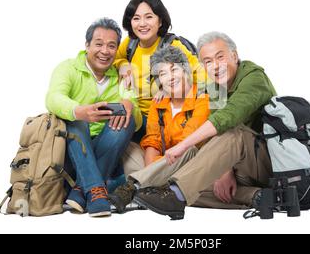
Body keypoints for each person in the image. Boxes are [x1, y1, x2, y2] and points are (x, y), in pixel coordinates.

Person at [110, 31, 276, 219]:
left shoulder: (253, 78)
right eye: (208, 61)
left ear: (234, 56)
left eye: (219, 57)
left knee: (210, 148)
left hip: (260, 162)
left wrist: (183, 151)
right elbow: (154, 140)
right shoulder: (215, 87)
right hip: (227, 165)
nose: (215, 66)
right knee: (190, 182)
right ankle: (253, 196)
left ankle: (154, 190)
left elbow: (226, 120)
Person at [45, 18, 142, 217]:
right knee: (75, 120)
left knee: (127, 119)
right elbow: (53, 98)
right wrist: (80, 111)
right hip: (71, 153)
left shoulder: (122, 76)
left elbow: (138, 121)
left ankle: (83, 190)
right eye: (98, 44)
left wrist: (130, 105)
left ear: (116, 50)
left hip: (107, 149)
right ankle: (96, 189)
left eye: (111, 46)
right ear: (87, 45)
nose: (104, 51)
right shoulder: (69, 68)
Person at [109, 46, 209, 212]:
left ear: (186, 71)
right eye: (163, 74)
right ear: (159, 81)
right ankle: (149, 190)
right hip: (163, 163)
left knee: (189, 149)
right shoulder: (158, 103)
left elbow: (186, 142)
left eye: (174, 70)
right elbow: (153, 141)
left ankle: (133, 188)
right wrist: (152, 170)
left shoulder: (202, 98)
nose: (170, 78)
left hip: (188, 165)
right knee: (130, 146)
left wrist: (153, 170)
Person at [114, 0, 205, 143]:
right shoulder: (130, 44)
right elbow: (112, 58)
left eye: (149, 17)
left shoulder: (173, 46)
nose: (142, 24)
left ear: (160, 21)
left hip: (163, 119)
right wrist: (122, 64)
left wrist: (169, 86)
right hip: (136, 116)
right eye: (136, 18)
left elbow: (200, 75)